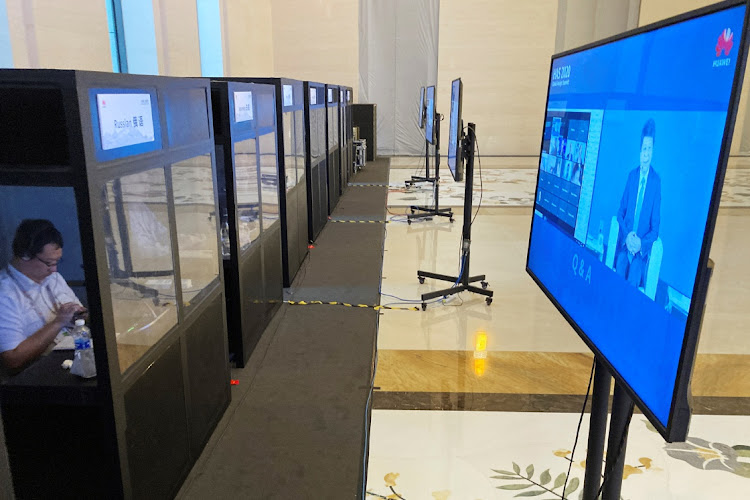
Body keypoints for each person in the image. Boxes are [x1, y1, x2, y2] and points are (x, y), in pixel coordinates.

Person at [0, 219, 86, 375]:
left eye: (57, 262)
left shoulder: (53, 278)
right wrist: (58, 322)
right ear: (24, 255)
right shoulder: (5, 294)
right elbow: (12, 359)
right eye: (48, 263)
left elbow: (79, 317)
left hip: (76, 355)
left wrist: (80, 315)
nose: (54, 270)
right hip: (40, 373)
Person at [614, 119, 661, 288]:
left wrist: (641, 244)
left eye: (649, 149)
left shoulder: (656, 183)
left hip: (641, 252)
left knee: (634, 275)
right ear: (639, 151)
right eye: (643, 149)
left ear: (652, 150)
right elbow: (620, 213)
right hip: (626, 244)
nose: (646, 153)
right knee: (620, 266)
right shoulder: (631, 177)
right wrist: (627, 236)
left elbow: (655, 230)